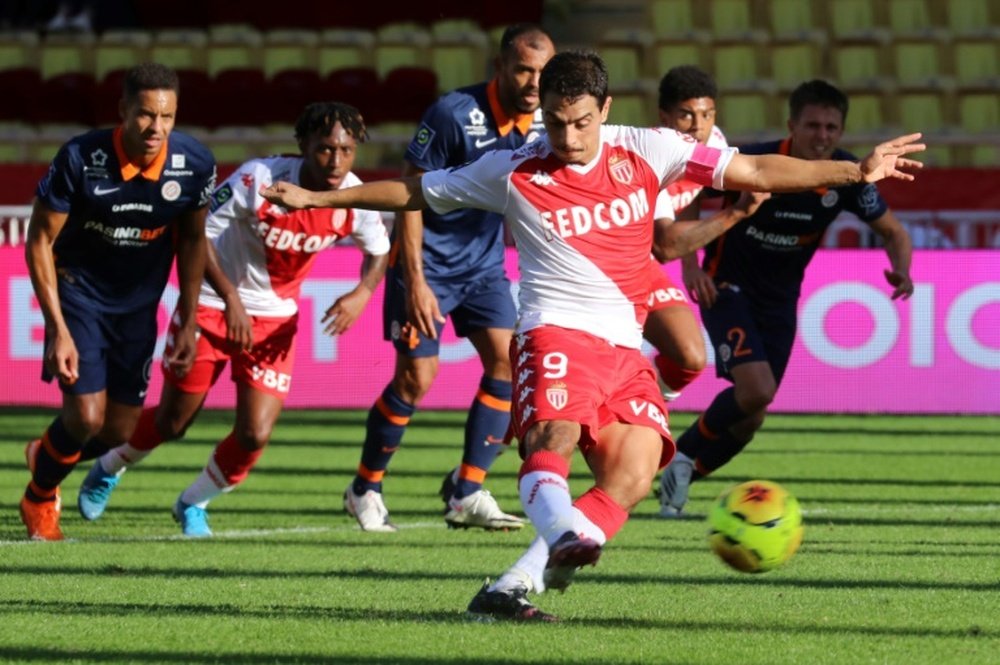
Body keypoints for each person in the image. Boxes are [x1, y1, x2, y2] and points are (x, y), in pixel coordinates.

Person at [260, 51, 924, 621]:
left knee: (634, 472)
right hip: (554, 331)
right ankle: (561, 531)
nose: (569, 137)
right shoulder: (512, 169)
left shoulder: (649, 147)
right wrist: (321, 202)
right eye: (555, 121)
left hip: (623, 344)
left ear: (604, 109)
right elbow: (412, 190)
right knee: (553, 438)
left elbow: (752, 172)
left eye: (581, 122)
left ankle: (512, 583)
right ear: (541, 111)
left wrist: (853, 172)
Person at [74, 102, 391, 537]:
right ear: (303, 146)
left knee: (255, 434)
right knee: (173, 421)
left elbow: (379, 250)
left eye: (346, 150)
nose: (335, 161)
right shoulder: (258, 179)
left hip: (275, 321)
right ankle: (108, 468)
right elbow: (194, 236)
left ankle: (192, 502)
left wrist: (362, 292)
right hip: (208, 304)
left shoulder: (353, 196)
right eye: (324, 149)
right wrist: (230, 299)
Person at [658, 80, 916, 517]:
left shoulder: (848, 174)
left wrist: (903, 268)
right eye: (812, 125)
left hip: (780, 300)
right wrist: (691, 264)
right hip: (725, 287)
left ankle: (686, 470)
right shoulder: (753, 160)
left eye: (831, 127)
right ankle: (678, 457)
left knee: (753, 413)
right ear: (791, 124)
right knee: (757, 389)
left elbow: (893, 231)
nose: (822, 135)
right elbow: (695, 194)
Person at [342, 23, 556, 533]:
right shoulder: (453, 113)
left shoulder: (550, 122)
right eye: (523, 69)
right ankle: (364, 488)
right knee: (418, 379)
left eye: (542, 73)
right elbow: (409, 192)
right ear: (501, 67)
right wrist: (413, 278)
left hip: (482, 265)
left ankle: (466, 492)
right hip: (426, 263)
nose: (532, 82)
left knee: (509, 364)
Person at [20, 62, 215, 541]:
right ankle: (40, 498)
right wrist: (58, 328)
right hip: (79, 296)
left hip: (138, 308)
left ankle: (46, 452)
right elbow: (39, 241)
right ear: (124, 110)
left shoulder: (194, 165)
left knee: (117, 433)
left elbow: (192, 242)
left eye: (167, 117)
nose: (156, 127)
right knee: (85, 416)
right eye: (146, 115)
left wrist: (188, 319)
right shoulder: (80, 159)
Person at [643, 65, 732, 403]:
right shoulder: (651, 160)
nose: (699, 125)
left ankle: (638, 404)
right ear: (664, 117)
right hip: (599, 263)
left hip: (639, 266)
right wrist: (737, 213)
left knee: (690, 358)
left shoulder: (716, 142)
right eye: (686, 115)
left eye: (707, 114)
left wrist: (691, 265)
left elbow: (691, 199)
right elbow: (664, 243)